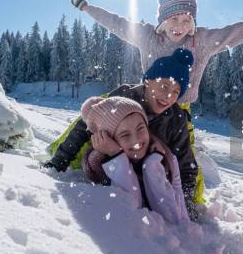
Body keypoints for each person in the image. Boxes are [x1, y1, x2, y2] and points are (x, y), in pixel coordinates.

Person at [66, 0, 243, 203]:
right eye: (173, 19)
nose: (179, 26)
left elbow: (232, 33)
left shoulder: (200, 41)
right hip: (140, 103)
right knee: (95, 116)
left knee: (183, 160)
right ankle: (69, 162)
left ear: (192, 21)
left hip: (179, 110)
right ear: (163, 20)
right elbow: (117, 23)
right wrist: (86, 7)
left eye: (186, 20)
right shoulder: (147, 36)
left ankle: (189, 203)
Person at [44, 48, 202, 219]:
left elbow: (186, 164)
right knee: (95, 155)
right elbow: (84, 126)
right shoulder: (126, 95)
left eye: (176, 92)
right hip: (114, 164)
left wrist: (186, 204)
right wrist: (59, 162)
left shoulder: (176, 118)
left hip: (148, 175)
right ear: (148, 81)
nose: (168, 96)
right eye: (164, 86)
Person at [80, 95, 189, 225]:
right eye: (124, 135)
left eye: (140, 128)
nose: (136, 141)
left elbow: (174, 217)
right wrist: (117, 156)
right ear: (110, 140)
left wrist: (151, 166)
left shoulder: (164, 155)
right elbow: (131, 209)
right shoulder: (100, 165)